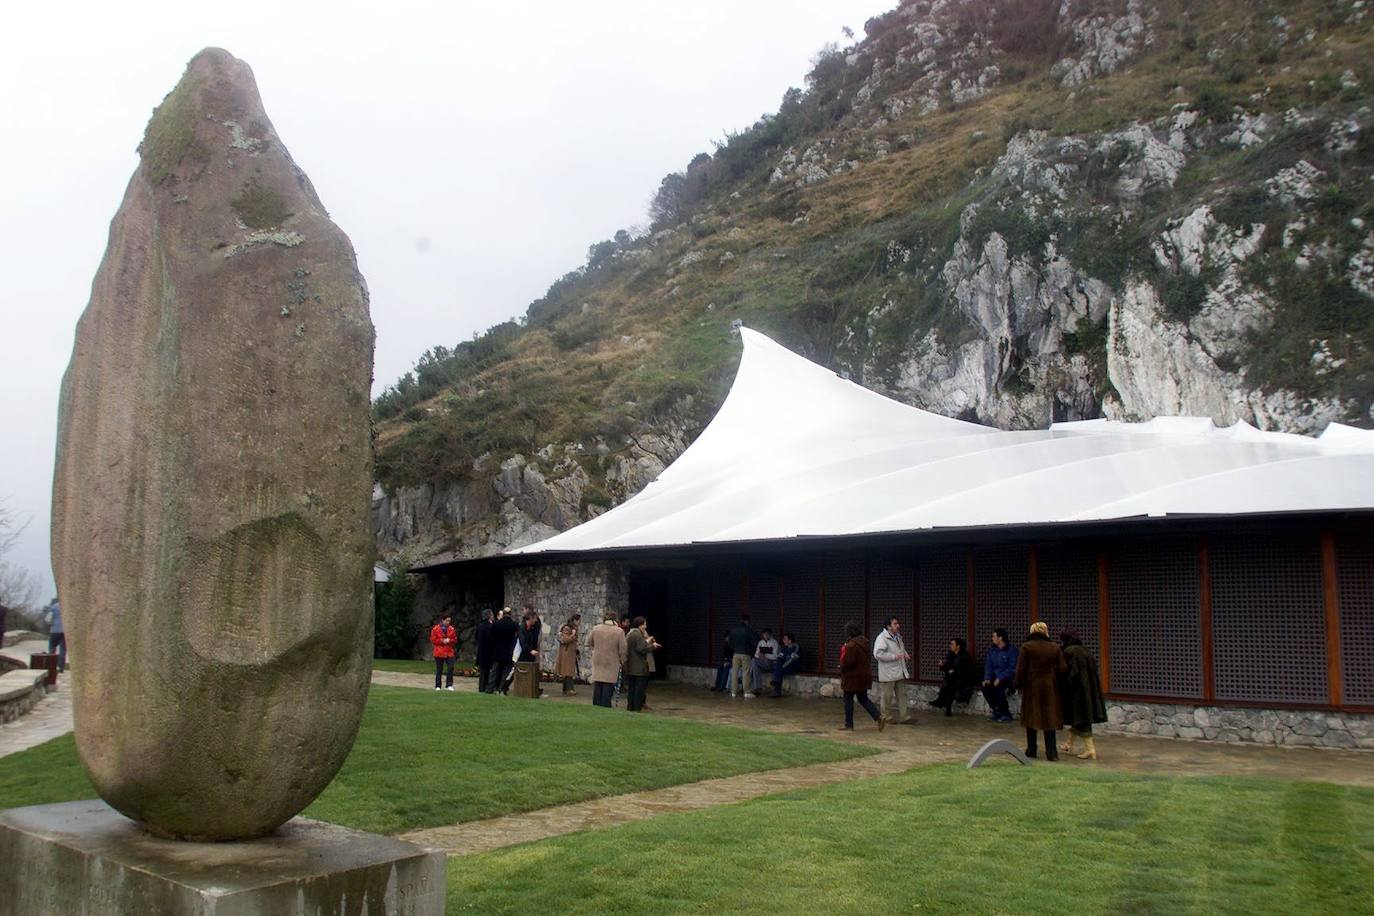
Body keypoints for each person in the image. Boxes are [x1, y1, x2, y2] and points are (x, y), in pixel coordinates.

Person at [1015, 621, 1067, 760]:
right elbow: (1063, 668)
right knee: (1049, 719)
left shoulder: (1027, 647)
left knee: (1031, 719)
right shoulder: (1054, 647)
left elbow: (1021, 669)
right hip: (1050, 686)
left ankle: (1031, 749)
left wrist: (1019, 684)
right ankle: (1052, 752)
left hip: (1032, 686)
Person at [1060, 628, 1107, 760]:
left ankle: (1090, 749)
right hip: (1089, 691)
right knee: (1080, 719)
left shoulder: (1069, 652)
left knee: (1081, 719)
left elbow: (1069, 673)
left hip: (1076, 692)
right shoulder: (1086, 651)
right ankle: (1068, 744)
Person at [839, 621, 885, 731]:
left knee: (848, 700)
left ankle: (849, 724)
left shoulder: (851, 646)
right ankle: (878, 716)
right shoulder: (865, 643)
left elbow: (848, 662)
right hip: (864, 676)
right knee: (863, 698)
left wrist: (841, 667)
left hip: (852, 677)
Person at [873, 616, 912, 725]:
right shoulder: (882, 638)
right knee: (887, 697)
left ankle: (904, 716)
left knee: (902, 695)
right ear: (888, 626)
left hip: (899, 671)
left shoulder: (898, 637)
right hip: (888, 673)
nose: (898, 625)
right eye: (895, 624)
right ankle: (886, 717)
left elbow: (901, 650)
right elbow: (878, 654)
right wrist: (894, 657)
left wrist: (905, 655)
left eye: (897, 623)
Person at [588, 611, 627, 708]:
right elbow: (623, 649)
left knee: (598, 682)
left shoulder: (596, 629)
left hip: (598, 659)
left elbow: (589, 642)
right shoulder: (619, 631)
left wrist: (597, 648)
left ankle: (596, 704)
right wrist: (622, 661)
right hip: (612, 660)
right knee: (608, 684)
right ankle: (605, 705)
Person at [929, 637, 977, 717]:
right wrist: (942, 665)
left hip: (963, 680)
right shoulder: (950, 655)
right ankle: (946, 707)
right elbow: (946, 668)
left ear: (958, 646)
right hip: (952, 679)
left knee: (949, 683)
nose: (950, 646)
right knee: (949, 683)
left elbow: (965, 671)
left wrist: (955, 671)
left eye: (952, 644)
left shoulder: (965, 656)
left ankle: (941, 701)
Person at [981, 628, 1019, 723]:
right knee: (985, 687)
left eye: (994, 636)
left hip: (1008, 678)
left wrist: (1000, 677)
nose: (992, 638)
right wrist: (987, 678)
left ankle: (1005, 713)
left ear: (1000, 638)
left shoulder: (1012, 651)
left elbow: (1012, 668)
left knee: (999, 687)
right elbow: (988, 666)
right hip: (995, 678)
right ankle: (996, 710)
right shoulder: (992, 651)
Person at [487, 607, 519, 694]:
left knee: (494, 671)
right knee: (506, 672)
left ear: (503, 614)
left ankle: (490, 688)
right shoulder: (514, 625)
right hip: (508, 651)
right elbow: (516, 639)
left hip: (497, 651)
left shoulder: (496, 624)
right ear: (510, 614)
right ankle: (501, 688)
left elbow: (491, 637)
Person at [625, 616, 654, 711]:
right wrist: (652, 646)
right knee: (638, 690)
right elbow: (641, 649)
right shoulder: (637, 635)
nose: (645, 626)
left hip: (631, 667)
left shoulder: (630, 634)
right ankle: (636, 708)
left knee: (632, 689)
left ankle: (630, 707)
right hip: (638, 667)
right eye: (644, 624)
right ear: (640, 625)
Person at [728, 614, 757, 698]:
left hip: (736, 654)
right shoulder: (748, 630)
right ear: (747, 621)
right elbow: (754, 641)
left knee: (734, 672)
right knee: (746, 673)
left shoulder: (734, 630)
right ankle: (746, 692)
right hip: (745, 654)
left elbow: (730, 643)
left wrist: (735, 649)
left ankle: (733, 692)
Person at [430, 612, 458, 691]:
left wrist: (450, 640)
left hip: (449, 651)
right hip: (439, 652)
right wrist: (442, 641)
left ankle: (449, 684)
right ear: (443, 620)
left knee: (451, 667)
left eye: (449, 621)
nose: (448, 622)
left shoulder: (452, 629)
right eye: (447, 621)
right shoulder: (435, 629)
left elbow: (455, 640)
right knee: (439, 669)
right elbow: (433, 640)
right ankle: (438, 685)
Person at [769, 632, 802, 697]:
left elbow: (793, 661)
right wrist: (779, 666)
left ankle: (776, 690)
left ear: (790, 640)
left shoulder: (796, 648)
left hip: (793, 668)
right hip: (784, 668)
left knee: (778, 670)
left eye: (785, 639)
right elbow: (779, 658)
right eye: (783, 639)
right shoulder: (784, 648)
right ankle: (777, 689)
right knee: (778, 668)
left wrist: (781, 667)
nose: (783, 640)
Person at [556, 614, 581, 695]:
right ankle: (569, 689)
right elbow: (565, 639)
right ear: (575, 620)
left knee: (568, 672)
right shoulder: (567, 628)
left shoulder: (573, 628)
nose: (579, 622)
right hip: (566, 653)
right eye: (578, 620)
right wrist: (573, 635)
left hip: (570, 652)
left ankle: (567, 689)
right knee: (567, 672)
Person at [751, 628, 780, 694]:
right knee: (754, 663)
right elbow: (756, 655)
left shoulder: (774, 643)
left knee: (754, 663)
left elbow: (775, 656)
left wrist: (766, 656)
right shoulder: (760, 642)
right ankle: (757, 688)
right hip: (762, 663)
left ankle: (749, 677)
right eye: (764, 635)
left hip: (771, 664)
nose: (765, 636)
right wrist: (760, 656)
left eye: (767, 634)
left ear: (770, 634)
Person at [475, 609, 495, 693]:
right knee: (487, 671)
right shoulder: (491, 626)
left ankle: (482, 687)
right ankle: (486, 687)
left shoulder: (480, 626)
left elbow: (476, 636)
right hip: (489, 651)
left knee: (483, 671)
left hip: (481, 651)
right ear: (489, 616)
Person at [43, 599, 65, 672]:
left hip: (54, 631)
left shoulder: (54, 607)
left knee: (52, 648)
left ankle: (51, 666)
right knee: (63, 650)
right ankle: (61, 667)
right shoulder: (68, 608)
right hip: (65, 632)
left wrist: (52, 624)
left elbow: (48, 619)